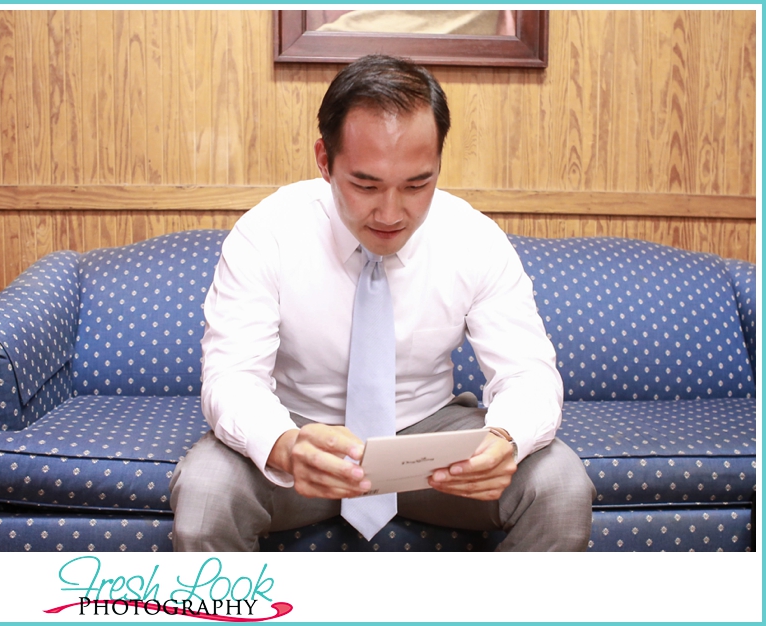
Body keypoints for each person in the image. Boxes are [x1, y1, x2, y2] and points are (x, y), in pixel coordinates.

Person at [169, 54, 594, 552]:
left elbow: (528, 373)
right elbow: (232, 376)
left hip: (430, 447)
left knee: (561, 483)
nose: (392, 213)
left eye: (418, 184)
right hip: (302, 436)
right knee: (205, 494)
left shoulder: (473, 238)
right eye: (365, 185)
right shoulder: (267, 233)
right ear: (325, 161)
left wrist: (505, 439)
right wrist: (286, 446)